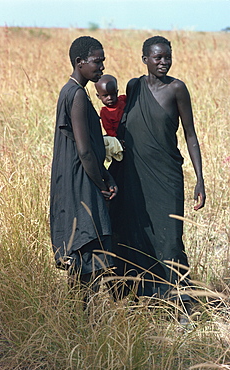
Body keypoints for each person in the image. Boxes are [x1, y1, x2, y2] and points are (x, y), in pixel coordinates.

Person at [110, 36, 206, 307]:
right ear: (145, 60)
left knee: (171, 240)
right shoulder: (134, 86)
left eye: (167, 57)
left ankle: (183, 303)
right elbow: (123, 128)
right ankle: (147, 299)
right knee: (136, 234)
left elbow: (190, 135)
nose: (164, 62)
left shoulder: (177, 89)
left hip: (167, 177)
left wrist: (200, 179)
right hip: (135, 178)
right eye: (157, 58)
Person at [50, 36, 118, 307]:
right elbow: (85, 150)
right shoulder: (76, 94)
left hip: (78, 178)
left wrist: (106, 174)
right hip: (82, 182)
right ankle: (81, 319)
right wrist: (102, 180)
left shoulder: (73, 90)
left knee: (84, 256)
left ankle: (80, 318)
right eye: (97, 61)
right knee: (87, 252)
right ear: (80, 63)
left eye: (102, 61)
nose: (102, 67)